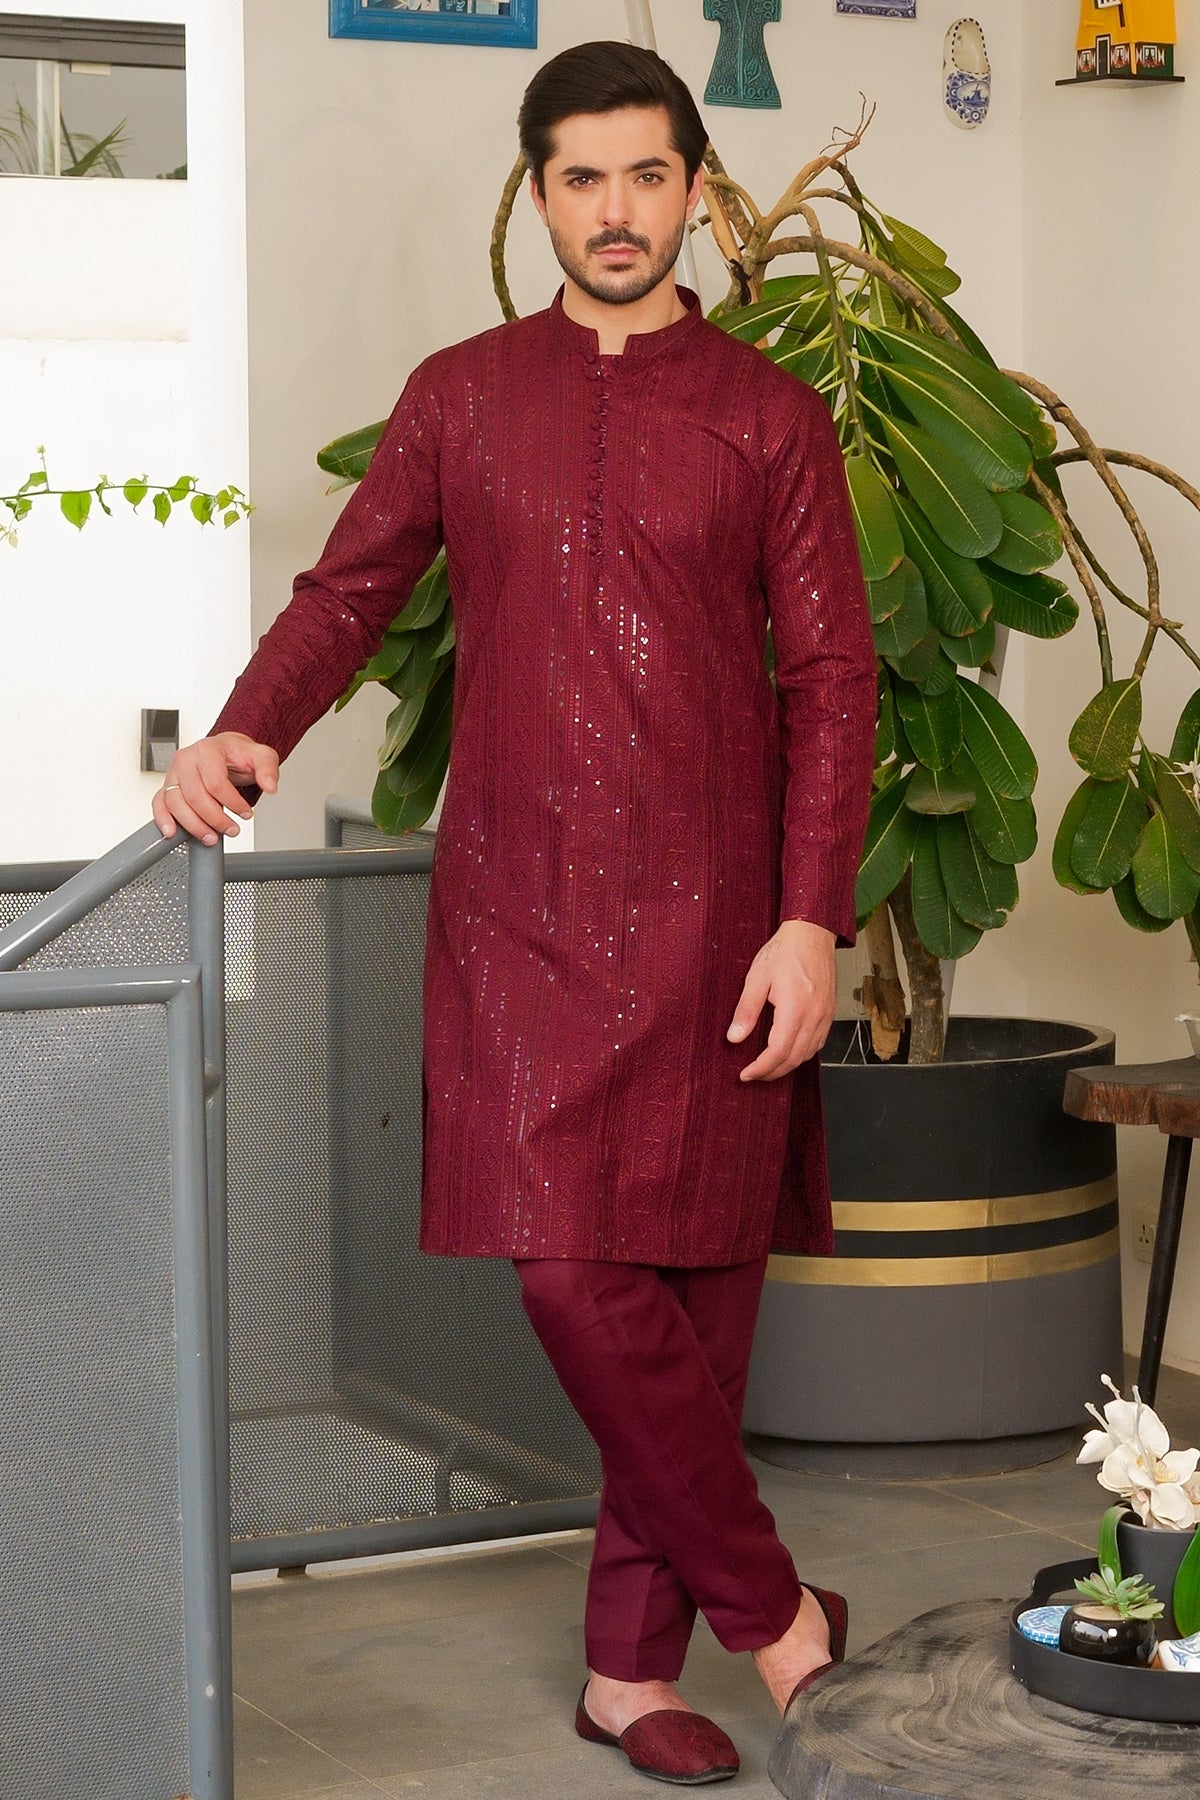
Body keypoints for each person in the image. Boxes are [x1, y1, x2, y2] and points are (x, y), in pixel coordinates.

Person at [154, 40, 876, 1788]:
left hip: (724, 924)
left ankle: (628, 1678)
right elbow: (351, 592)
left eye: (647, 175)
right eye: (582, 178)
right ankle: (780, 1617)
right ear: (538, 193)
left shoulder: (770, 419)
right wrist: (248, 725)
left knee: (696, 1311)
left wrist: (810, 921)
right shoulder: (462, 397)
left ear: (694, 188)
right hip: (519, 915)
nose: (617, 211)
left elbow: (834, 679)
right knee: (573, 1275)